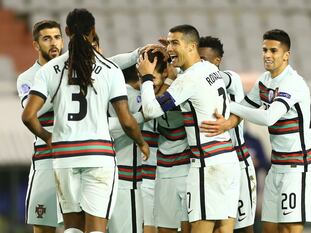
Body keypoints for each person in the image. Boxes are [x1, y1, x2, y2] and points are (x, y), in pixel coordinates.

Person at [22, 8, 149, 233]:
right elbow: (127, 121)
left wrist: (48, 137)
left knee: (72, 228)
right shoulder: (110, 69)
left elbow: (28, 116)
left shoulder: (49, 70)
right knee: (97, 229)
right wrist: (141, 142)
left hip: (63, 157)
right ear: (93, 31)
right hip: (98, 155)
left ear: (67, 32)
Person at [202, 29, 311, 233]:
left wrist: (228, 104)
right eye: (264, 50)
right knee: (268, 228)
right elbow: (246, 106)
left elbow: (268, 117)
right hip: (276, 166)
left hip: (296, 168)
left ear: (286, 55)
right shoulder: (265, 80)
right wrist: (227, 123)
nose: (267, 55)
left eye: (273, 50)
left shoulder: (292, 83)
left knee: (289, 228)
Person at [137, 24, 240, 233]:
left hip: (207, 166)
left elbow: (150, 110)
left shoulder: (189, 79)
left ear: (193, 46)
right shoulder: (210, 69)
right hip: (228, 160)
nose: (170, 48)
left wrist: (147, 77)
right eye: (169, 43)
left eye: (175, 43)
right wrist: (176, 52)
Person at [198, 36, 257, 233]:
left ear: (217, 61)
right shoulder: (196, 87)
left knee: (243, 226)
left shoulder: (230, 78)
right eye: (197, 59)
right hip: (212, 164)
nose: (200, 64)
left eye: (204, 60)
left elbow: (214, 78)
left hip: (238, 162)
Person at [107, 50, 166, 233]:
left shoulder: (107, 92)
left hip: (119, 177)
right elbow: (143, 115)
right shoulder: (132, 95)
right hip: (131, 180)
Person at [16, 19, 64, 233]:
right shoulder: (27, 77)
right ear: (36, 45)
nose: (53, 43)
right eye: (47, 38)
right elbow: (30, 110)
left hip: (76, 157)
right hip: (46, 158)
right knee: (44, 226)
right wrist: (56, 87)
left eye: (57, 37)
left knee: (81, 227)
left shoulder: (74, 72)